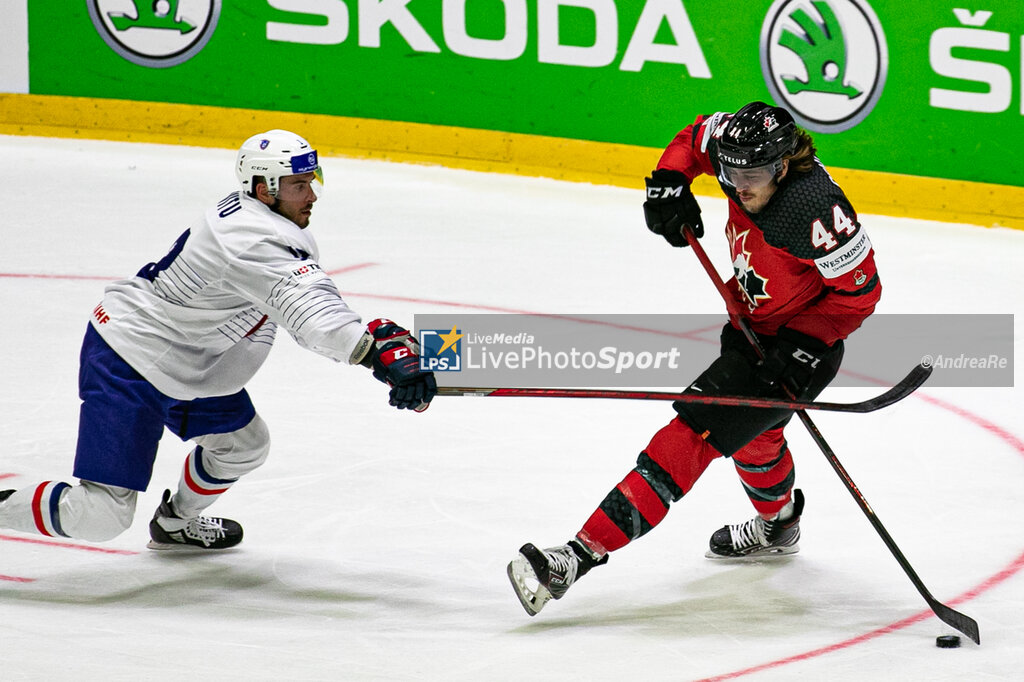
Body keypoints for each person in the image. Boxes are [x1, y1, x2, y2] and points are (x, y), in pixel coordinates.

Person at [507, 102, 881, 616]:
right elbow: (695, 137)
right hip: (750, 327)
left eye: (751, 175)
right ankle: (780, 524)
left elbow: (859, 295)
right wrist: (670, 180)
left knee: (691, 436)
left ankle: (576, 556)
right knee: (756, 440)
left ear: (783, 165)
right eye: (730, 173)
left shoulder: (815, 212)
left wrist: (804, 343)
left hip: (798, 348)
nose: (738, 185)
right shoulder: (737, 146)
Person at [0, 129, 436, 550]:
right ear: (265, 189)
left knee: (243, 446)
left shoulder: (261, 218)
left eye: (312, 181)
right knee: (101, 515)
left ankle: (174, 525)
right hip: (131, 358)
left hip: (189, 357)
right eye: (299, 185)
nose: (312, 196)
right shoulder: (250, 238)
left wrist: (372, 348)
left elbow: (294, 297)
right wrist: (374, 351)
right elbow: (309, 310)